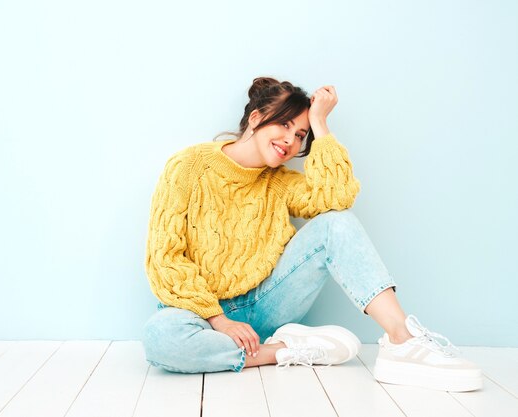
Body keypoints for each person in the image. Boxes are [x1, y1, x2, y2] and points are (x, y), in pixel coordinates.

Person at [142, 77, 482, 392]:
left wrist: (321, 123)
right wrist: (219, 320)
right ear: (256, 117)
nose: (291, 141)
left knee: (337, 222)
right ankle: (282, 351)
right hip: (200, 315)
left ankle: (402, 339)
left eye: (301, 135)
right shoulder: (187, 166)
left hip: (263, 306)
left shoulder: (281, 183)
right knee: (160, 336)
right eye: (285, 124)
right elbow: (165, 258)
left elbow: (338, 197)